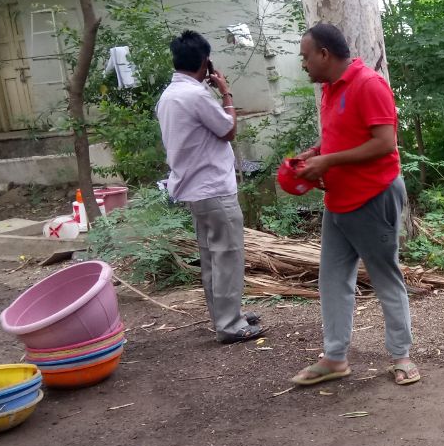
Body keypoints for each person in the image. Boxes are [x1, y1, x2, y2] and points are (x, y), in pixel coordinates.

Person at [289, 23, 420, 387]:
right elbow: (344, 136)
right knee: (332, 279)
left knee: (384, 276)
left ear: (324, 55)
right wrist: (316, 154)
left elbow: (385, 143)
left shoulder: (368, 84)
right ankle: (334, 358)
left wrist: (328, 162)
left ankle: (402, 356)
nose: (303, 64)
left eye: (306, 56)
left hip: (373, 196)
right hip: (339, 200)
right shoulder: (331, 89)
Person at [156, 31, 262, 344]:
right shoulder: (196, 95)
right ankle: (230, 325)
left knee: (212, 257)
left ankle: (225, 316)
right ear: (205, 62)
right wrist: (226, 93)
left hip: (193, 189)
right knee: (227, 255)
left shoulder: (169, 96)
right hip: (213, 188)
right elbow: (228, 129)